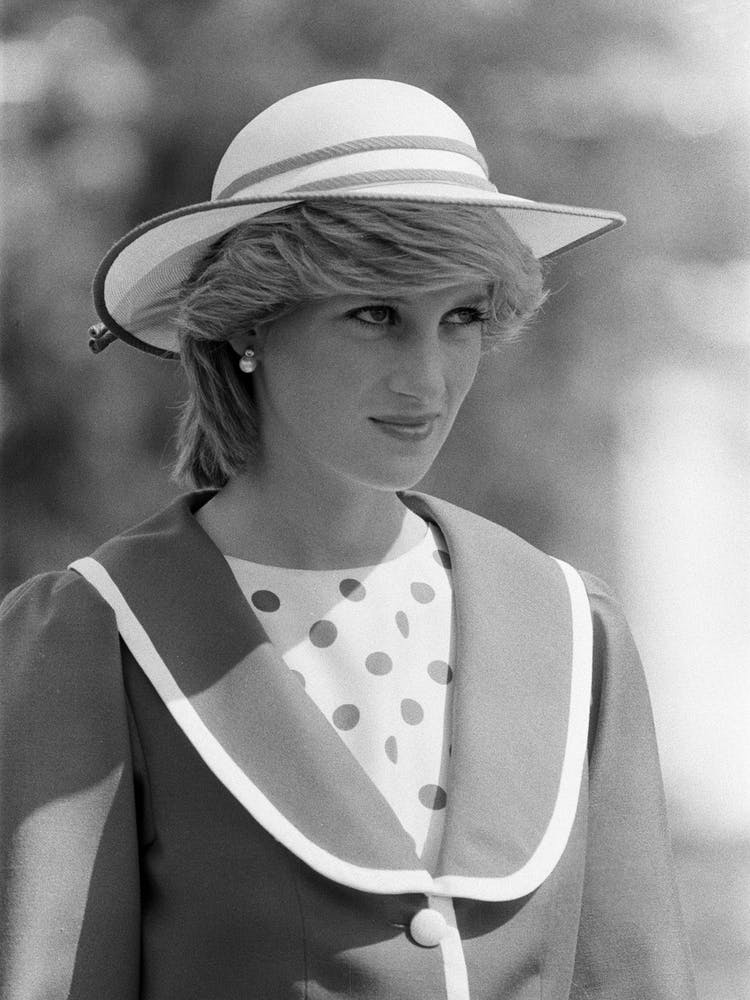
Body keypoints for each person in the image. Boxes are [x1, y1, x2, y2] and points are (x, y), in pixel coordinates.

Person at [0, 79, 696, 1000]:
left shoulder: (575, 631)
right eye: (376, 314)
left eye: (461, 319)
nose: (428, 377)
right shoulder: (93, 634)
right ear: (250, 324)